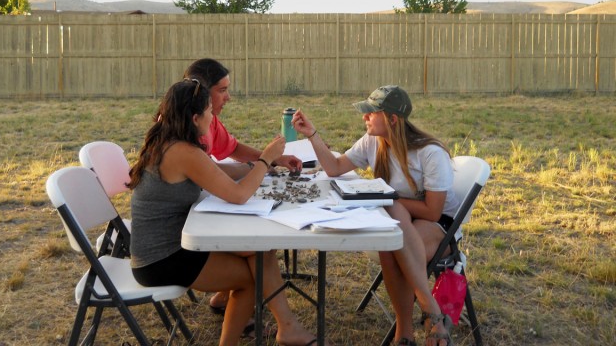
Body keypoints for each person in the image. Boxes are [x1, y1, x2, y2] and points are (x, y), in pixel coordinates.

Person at [128, 79, 319, 346]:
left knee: (260, 250)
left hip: (172, 243)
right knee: (252, 280)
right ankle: (264, 334)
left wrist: (265, 164)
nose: (212, 117)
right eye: (209, 112)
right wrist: (265, 159)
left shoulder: (171, 140)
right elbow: (239, 196)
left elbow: (218, 172)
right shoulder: (182, 151)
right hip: (160, 259)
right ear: (195, 118)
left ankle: (288, 328)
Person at [292, 85, 456, 346]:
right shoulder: (374, 141)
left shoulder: (430, 153)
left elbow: (433, 211)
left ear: (392, 119)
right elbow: (334, 168)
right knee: (390, 233)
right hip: (400, 221)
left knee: (392, 231)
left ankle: (406, 331)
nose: (364, 117)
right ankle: (426, 314)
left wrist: (386, 197)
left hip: (437, 226)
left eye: (371, 113)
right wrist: (312, 135)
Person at [184, 58, 303, 313]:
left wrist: (274, 159)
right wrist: (263, 161)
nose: (228, 97)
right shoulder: (186, 128)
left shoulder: (205, 117)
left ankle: (226, 298)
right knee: (260, 244)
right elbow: (231, 188)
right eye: (222, 90)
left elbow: (232, 149)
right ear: (202, 93)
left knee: (260, 241)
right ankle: (284, 325)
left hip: (198, 210)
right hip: (186, 226)